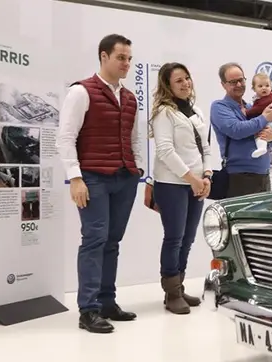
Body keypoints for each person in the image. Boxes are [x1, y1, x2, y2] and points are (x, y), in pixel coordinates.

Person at [57, 34, 144, 334]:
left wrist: (138, 169)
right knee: (94, 239)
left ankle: (107, 302)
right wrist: (75, 178)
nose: (127, 63)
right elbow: (66, 138)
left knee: (112, 241)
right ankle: (89, 310)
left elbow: (133, 139)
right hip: (93, 177)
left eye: (130, 58)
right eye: (121, 57)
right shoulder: (81, 92)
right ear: (104, 56)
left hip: (124, 177)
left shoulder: (130, 98)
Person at [149, 62, 212, 315]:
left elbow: (205, 148)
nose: (186, 83)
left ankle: (180, 285)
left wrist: (206, 175)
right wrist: (191, 178)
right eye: (179, 81)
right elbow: (165, 151)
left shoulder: (196, 110)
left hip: (198, 184)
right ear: (167, 85)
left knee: (188, 238)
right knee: (174, 238)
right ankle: (171, 293)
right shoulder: (164, 113)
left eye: (187, 78)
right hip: (173, 184)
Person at [210, 62, 272, 197]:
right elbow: (236, 130)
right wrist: (264, 118)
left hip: (263, 176)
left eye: (241, 80)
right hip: (240, 177)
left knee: (262, 219)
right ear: (223, 85)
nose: (238, 84)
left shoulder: (252, 107)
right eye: (233, 82)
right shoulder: (219, 107)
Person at [246, 72, 272, 165]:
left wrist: (247, 113)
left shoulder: (268, 98)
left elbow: (257, 109)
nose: (264, 88)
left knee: (261, 134)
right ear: (254, 88)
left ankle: (261, 148)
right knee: (271, 147)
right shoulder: (258, 100)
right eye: (260, 86)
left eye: (267, 85)